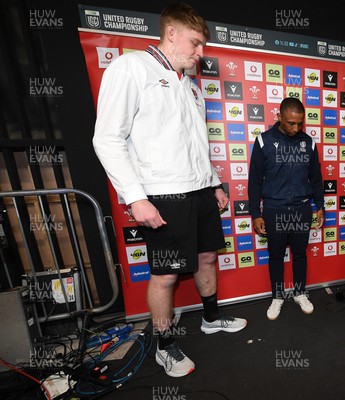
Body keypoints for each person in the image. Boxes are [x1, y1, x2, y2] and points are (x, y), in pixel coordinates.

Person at [92, 2, 246, 377]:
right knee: (165, 275)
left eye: (203, 46)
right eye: (195, 44)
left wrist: (214, 184)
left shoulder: (191, 87)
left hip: (200, 192)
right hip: (163, 195)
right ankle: (165, 345)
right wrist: (136, 197)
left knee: (208, 258)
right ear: (171, 33)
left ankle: (210, 318)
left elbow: (196, 144)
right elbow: (107, 139)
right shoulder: (131, 68)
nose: (200, 53)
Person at [248, 98, 325, 320]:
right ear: (279, 117)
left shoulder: (308, 143)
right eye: (291, 123)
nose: (295, 128)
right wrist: (255, 213)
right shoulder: (263, 141)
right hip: (274, 209)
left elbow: (316, 179)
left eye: (299, 123)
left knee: (300, 254)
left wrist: (320, 206)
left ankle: (300, 292)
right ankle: (278, 296)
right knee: (276, 255)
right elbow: (255, 181)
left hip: (302, 209)